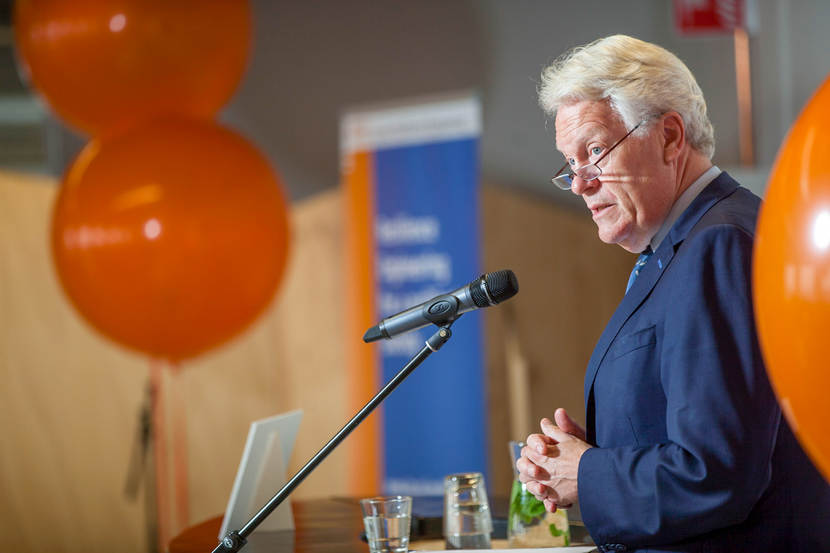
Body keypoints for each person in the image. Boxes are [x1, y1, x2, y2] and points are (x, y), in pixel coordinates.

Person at [515, 35, 830, 553]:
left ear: (669, 136)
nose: (579, 183)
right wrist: (581, 456)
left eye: (595, 150)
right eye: (569, 163)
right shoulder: (680, 246)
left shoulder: (719, 245)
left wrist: (588, 473)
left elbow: (717, 472)